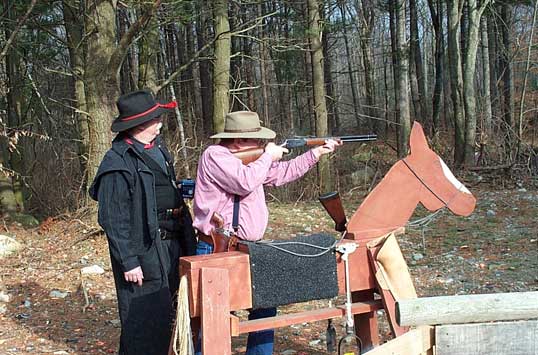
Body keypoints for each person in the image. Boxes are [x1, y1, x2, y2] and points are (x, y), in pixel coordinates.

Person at [192, 110, 341, 355]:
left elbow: (281, 174)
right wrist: (268, 155)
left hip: (251, 248)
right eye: (257, 140)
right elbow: (244, 181)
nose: (262, 145)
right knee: (215, 319)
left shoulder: (253, 160)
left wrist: (315, 153)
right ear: (239, 141)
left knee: (265, 308)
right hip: (219, 248)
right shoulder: (215, 155)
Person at [89, 90, 197, 355]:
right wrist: (129, 261)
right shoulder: (117, 162)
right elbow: (112, 219)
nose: (160, 124)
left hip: (173, 242)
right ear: (139, 125)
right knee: (143, 319)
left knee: (173, 311)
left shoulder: (159, 149)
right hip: (143, 251)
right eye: (155, 120)